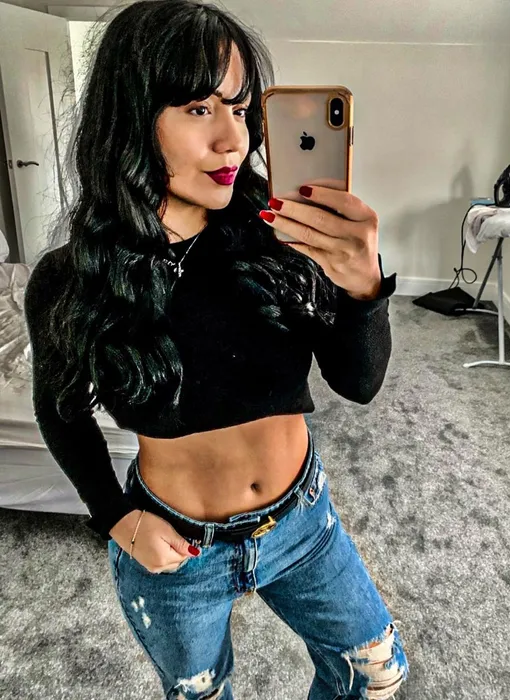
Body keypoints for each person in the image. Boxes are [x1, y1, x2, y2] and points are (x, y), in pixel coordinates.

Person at [23, 1, 409, 698]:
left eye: (240, 108)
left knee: (377, 673)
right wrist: (115, 518)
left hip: (303, 521)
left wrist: (361, 288)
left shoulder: (280, 238)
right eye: (200, 109)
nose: (235, 140)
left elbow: (360, 384)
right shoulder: (72, 280)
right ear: (131, 116)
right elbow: (60, 411)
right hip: (177, 548)